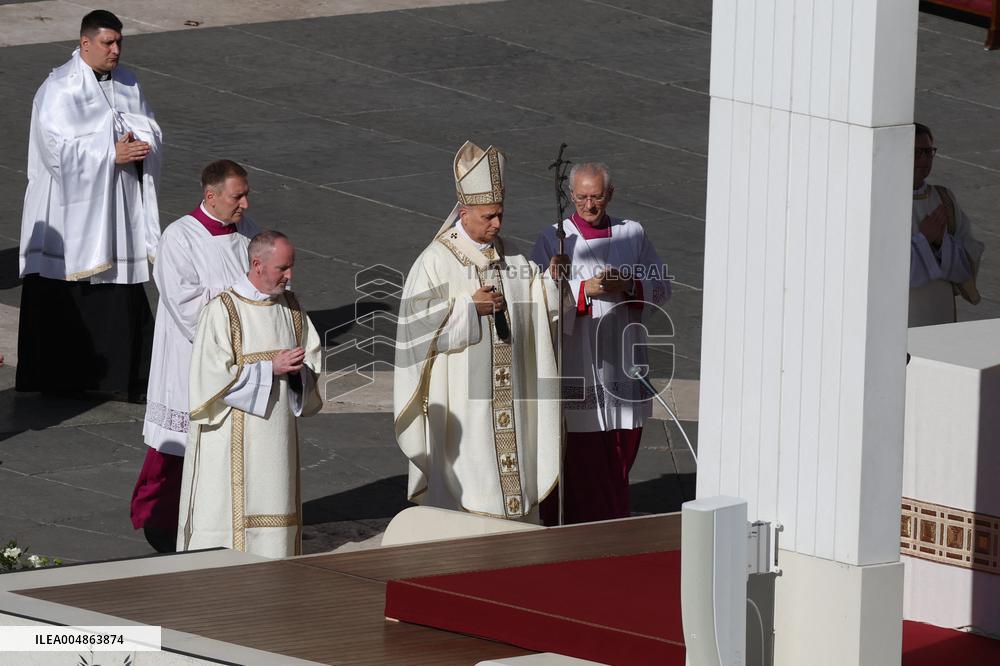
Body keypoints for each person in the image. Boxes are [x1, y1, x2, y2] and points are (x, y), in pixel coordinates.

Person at [394, 141, 567, 522]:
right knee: (472, 493)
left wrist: (553, 282)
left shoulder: (512, 255)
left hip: (512, 401)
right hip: (463, 406)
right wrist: (469, 308)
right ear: (464, 211)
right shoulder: (435, 262)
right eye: (489, 216)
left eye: (501, 214)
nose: (498, 224)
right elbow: (414, 329)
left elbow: (537, 299)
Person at [16, 10, 162, 400]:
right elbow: (54, 151)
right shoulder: (58, 89)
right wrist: (109, 152)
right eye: (107, 43)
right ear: (85, 44)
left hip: (115, 201)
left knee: (117, 289)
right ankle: (59, 379)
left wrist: (143, 142)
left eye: (119, 42)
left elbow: (149, 124)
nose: (116, 50)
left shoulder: (128, 81)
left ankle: (122, 378)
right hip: (67, 207)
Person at [129, 160, 260, 553]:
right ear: (211, 195)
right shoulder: (180, 238)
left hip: (238, 364)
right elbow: (186, 305)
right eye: (238, 196)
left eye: (246, 195)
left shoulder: (248, 232)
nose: (246, 205)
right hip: (192, 362)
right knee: (180, 448)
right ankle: (165, 527)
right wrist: (238, 317)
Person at [532, 162, 669, 525]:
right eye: (581, 197)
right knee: (583, 458)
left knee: (621, 450)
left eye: (596, 197)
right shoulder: (554, 239)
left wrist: (629, 286)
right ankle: (584, 526)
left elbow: (661, 283)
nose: (589, 205)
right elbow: (535, 297)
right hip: (579, 364)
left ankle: (614, 517)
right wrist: (582, 292)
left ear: (610, 194)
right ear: (570, 195)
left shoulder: (632, 233)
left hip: (622, 358)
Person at [177, 231, 322, 558]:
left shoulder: (292, 308)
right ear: (257, 264)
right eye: (282, 268)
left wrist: (299, 373)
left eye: (291, 267)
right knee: (226, 519)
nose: (289, 276)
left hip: (277, 438)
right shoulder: (223, 311)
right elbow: (206, 380)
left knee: (276, 504)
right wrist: (267, 369)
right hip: (229, 439)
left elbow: (311, 362)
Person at [910, 123, 985, 327]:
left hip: (939, 313)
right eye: (916, 153)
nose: (924, 160)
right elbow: (878, 268)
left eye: (928, 152)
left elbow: (970, 254)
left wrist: (940, 246)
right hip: (898, 315)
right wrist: (923, 241)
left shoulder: (944, 199)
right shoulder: (881, 201)